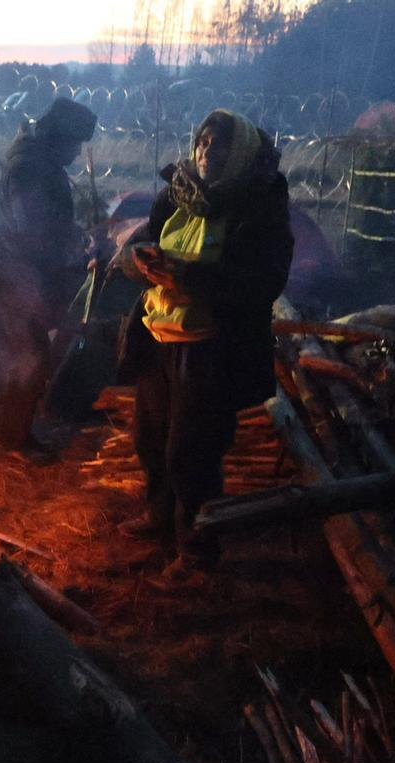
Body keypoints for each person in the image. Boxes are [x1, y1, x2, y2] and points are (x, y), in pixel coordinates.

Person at [117, 109, 292, 577]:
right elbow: (138, 249)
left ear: (241, 156)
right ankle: (159, 516)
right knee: (150, 438)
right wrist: (140, 263)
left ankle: (198, 549)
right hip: (160, 336)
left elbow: (263, 281)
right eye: (202, 142)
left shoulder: (259, 206)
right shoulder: (179, 194)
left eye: (219, 146)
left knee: (192, 451)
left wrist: (187, 276)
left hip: (212, 346)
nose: (206, 151)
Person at [0, 98, 97, 454]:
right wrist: (73, 247)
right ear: (57, 138)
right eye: (74, 144)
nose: (77, 153)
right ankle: (14, 439)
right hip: (17, 273)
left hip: (25, 272)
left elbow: (51, 223)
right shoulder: (30, 168)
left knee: (34, 354)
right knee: (31, 356)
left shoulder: (39, 161)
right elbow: (35, 231)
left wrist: (77, 236)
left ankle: (17, 433)